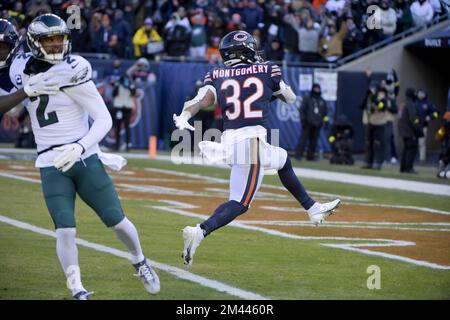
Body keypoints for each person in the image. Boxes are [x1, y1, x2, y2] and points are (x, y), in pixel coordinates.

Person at [1, 14, 160, 299]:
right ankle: (77, 289)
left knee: (116, 220)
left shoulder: (74, 67)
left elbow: (103, 119)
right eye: (48, 41)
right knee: (65, 229)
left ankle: (140, 260)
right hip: (50, 161)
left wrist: (81, 146)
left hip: (83, 157)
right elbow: (7, 105)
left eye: (59, 39)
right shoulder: (19, 71)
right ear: (35, 43)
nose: (54, 45)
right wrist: (24, 90)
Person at [173, 30, 340, 266]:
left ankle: (312, 208)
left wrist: (184, 115)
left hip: (232, 139)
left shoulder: (217, 73)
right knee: (240, 203)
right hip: (250, 142)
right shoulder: (267, 69)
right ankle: (199, 231)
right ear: (246, 50)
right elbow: (290, 98)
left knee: (282, 159)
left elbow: (200, 101)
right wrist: (272, 93)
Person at [295, 83, 329, 161]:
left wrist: (326, 122)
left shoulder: (322, 101)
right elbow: (302, 110)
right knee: (303, 140)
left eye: (318, 89)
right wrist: (303, 120)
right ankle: (298, 155)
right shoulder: (307, 99)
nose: (317, 90)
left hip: (317, 125)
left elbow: (325, 113)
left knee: (314, 142)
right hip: (307, 123)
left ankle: (310, 157)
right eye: (315, 88)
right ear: (312, 89)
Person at [399, 88, 423, 173]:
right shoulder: (410, 104)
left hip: (403, 130)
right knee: (411, 149)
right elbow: (414, 118)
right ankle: (408, 168)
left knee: (406, 149)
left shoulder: (403, 103)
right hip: (410, 131)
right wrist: (418, 129)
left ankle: (403, 168)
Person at [112, 74, 136, 151]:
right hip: (119, 107)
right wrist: (117, 86)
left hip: (127, 108)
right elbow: (114, 94)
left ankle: (128, 145)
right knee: (118, 126)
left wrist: (129, 86)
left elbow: (133, 93)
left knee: (127, 126)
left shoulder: (131, 85)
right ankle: (117, 145)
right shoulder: (118, 85)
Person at [416, 89, 438, 162]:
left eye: (422, 93)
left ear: (425, 94)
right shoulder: (414, 102)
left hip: (423, 126)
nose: (420, 94)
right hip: (413, 126)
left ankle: (422, 159)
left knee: (421, 143)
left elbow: (436, 113)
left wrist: (430, 117)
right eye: (419, 93)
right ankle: (412, 158)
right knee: (412, 143)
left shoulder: (428, 104)